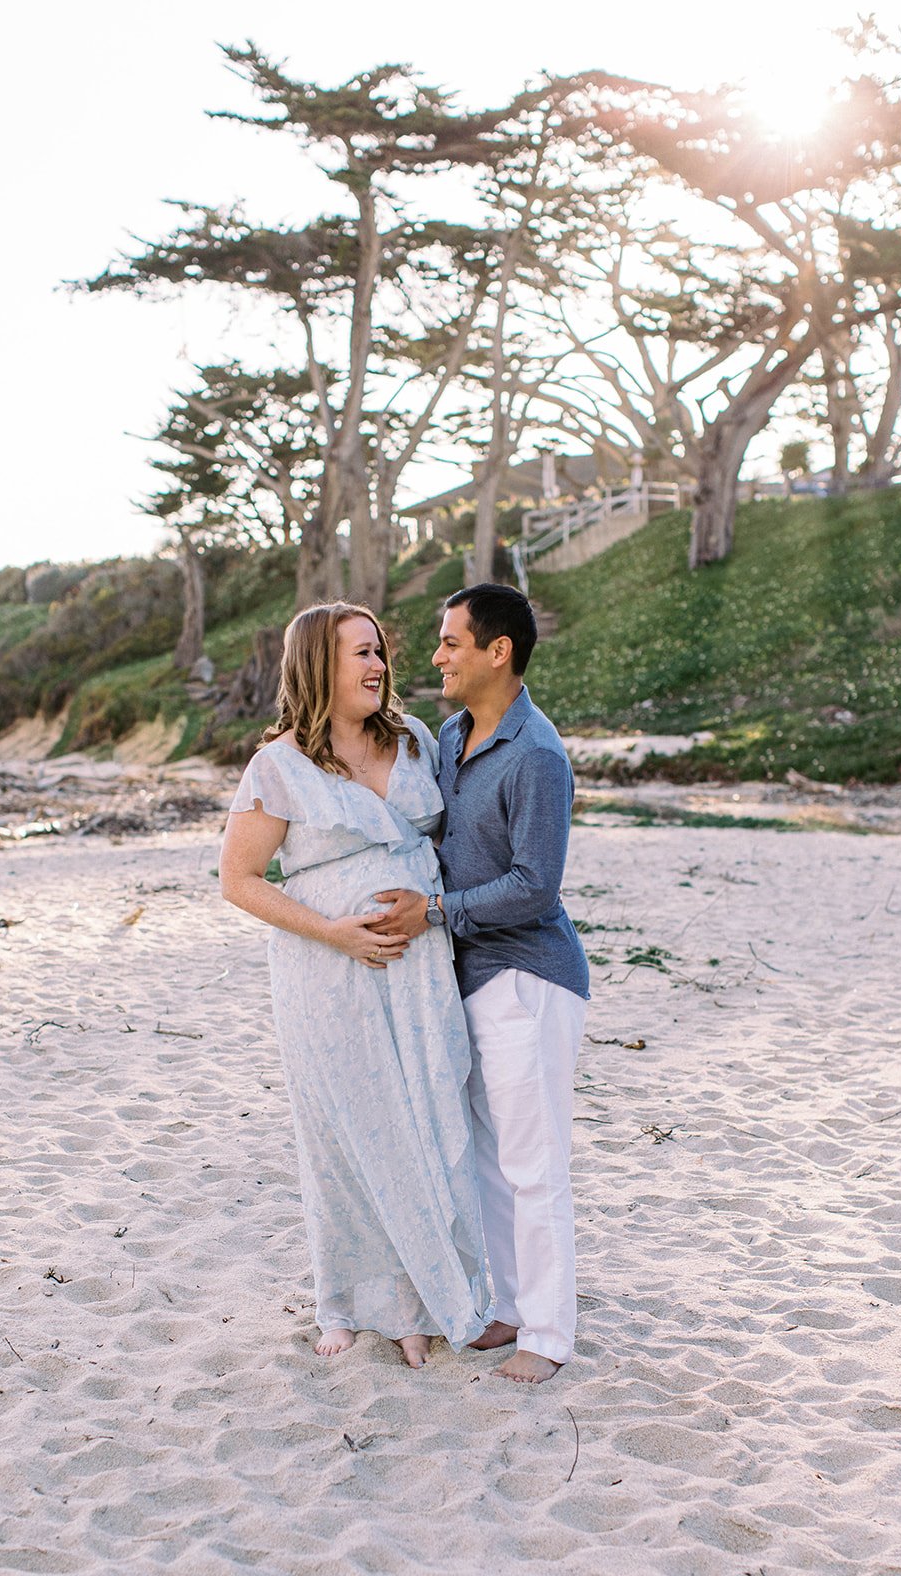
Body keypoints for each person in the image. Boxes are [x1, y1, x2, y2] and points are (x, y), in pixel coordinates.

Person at [219, 601, 490, 1369]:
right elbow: (238, 881)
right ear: (316, 667)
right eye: (358, 655)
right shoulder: (277, 765)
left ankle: (427, 1294)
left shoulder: (413, 741)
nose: (377, 666)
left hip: (419, 968)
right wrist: (334, 931)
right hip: (326, 972)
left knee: (430, 1121)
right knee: (351, 1131)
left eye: (378, 651)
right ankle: (351, 1298)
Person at [375, 584, 589, 1384]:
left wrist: (430, 912)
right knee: (490, 1161)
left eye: (450, 642)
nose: (436, 657)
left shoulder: (537, 754)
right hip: (467, 977)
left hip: (528, 979)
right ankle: (508, 1309)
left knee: (533, 1164)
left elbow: (535, 885)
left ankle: (549, 1334)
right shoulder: (453, 733)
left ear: (497, 651)